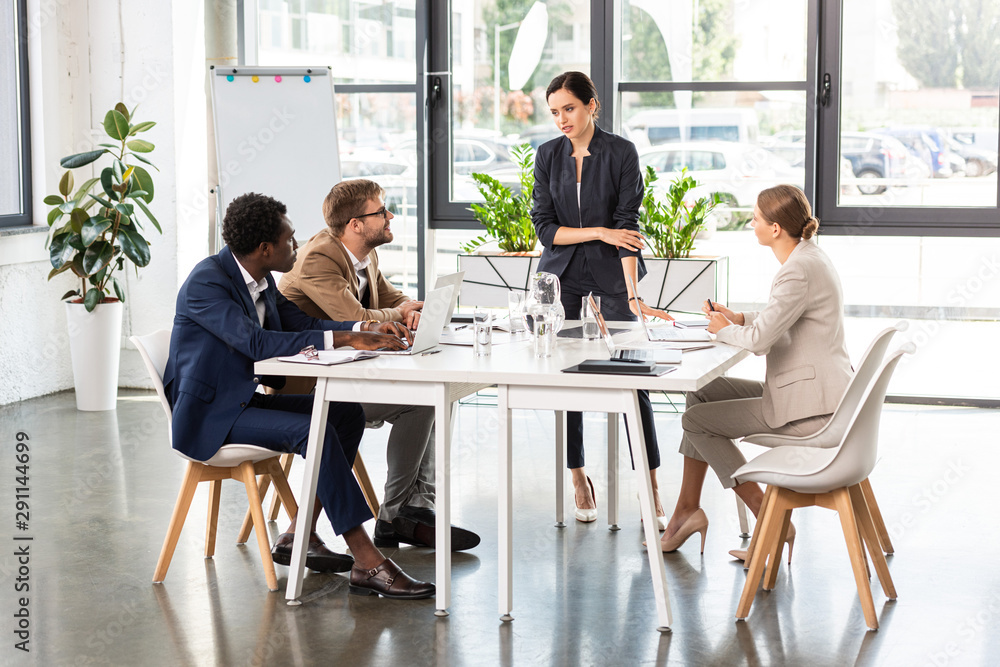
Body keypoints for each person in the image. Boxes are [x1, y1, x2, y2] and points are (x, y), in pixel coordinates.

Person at [163, 192, 434, 599]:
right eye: (291, 240)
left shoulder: (261, 281)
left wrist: (363, 334)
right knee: (315, 429)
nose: (299, 246)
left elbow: (301, 323)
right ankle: (367, 559)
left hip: (242, 402)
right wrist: (349, 336)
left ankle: (299, 534)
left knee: (343, 413)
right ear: (265, 248)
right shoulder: (207, 282)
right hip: (209, 418)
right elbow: (256, 343)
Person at [278, 179, 480, 551]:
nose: (390, 216)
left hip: (349, 370)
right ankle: (396, 515)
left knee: (438, 392)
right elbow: (357, 318)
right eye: (380, 211)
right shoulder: (319, 257)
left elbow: (389, 296)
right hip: (311, 386)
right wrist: (402, 312)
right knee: (421, 400)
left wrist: (413, 306)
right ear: (355, 224)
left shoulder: (365, 253)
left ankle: (416, 507)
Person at [659, 185, 852, 558]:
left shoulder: (796, 270)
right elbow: (785, 315)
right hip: (819, 394)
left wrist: (722, 329)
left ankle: (771, 520)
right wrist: (738, 318)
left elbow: (760, 342)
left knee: (697, 422)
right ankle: (688, 509)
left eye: (756, 218)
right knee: (700, 394)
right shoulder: (809, 258)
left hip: (810, 410)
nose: (752, 223)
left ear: (776, 228)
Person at [532, 71, 671, 528]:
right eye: (554, 112)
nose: (561, 120)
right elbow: (546, 229)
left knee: (635, 376)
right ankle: (577, 475)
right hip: (562, 277)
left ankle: (649, 482)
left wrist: (632, 296)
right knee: (565, 376)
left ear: (592, 105)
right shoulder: (548, 155)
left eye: (569, 109)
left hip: (614, 272)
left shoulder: (621, 152)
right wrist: (598, 231)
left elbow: (626, 227)